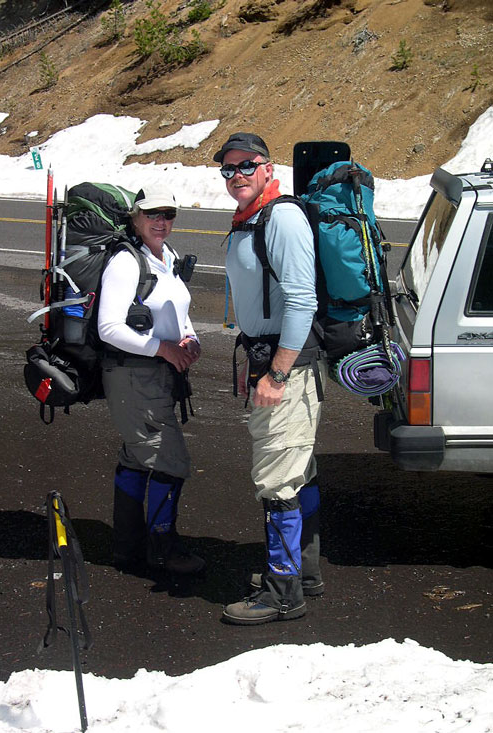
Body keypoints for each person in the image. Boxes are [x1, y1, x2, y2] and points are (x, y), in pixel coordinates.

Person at [214, 132, 326, 625]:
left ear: (267, 167)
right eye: (227, 169)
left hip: (288, 365)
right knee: (297, 469)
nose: (235, 175)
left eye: (245, 166)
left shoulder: (280, 217)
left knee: (277, 480)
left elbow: (302, 303)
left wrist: (277, 374)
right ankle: (304, 572)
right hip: (271, 358)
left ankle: (283, 594)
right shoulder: (252, 217)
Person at [97, 183, 205, 577]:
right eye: (152, 214)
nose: (161, 222)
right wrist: (162, 349)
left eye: (168, 215)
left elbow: (177, 307)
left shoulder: (166, 257)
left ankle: (127, 549)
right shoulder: (126, 262)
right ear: (136, 218)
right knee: (168, 460)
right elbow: (108, 327)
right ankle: (163, 551)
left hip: (156, 376)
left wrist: (188, 336)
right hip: (133, 376)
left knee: (137, 456)